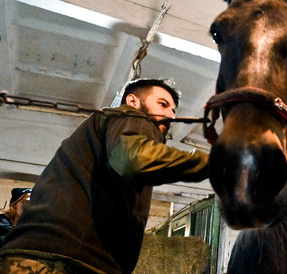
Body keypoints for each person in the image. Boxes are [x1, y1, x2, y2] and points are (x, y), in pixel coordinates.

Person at [0, 78, 210, 274]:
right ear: (132, 101)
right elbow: (132, 158)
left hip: (47, 258)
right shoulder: (130, 115)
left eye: (173, 110)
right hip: (65, 262)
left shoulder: (102, 136)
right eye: (163, 104)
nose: (172, 116)